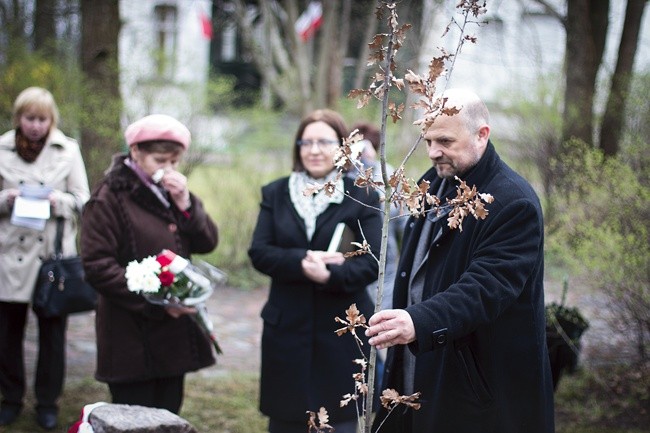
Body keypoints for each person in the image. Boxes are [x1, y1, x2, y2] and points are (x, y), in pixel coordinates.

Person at [365, 88, 555, 433]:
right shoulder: (433, 182)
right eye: (427, 140)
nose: (434, 152)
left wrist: (417, 321)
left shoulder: (514, 203)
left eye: (445, 141)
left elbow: (485, 289)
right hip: (416, 371)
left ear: (482, 134)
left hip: (477, 390)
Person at [248, 109, 382, 433]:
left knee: (339, 423)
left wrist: (330, 276)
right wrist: (302, 260)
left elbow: (372, 262)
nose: (314, 149)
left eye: (324, 141)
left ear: (342, 147)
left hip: (342, 332)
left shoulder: (362, 195)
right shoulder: (276, 193)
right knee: (288, 421)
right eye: (306, 142)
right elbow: (260, 252)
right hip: (287, 330)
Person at [80, 114, 218, 414]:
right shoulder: (108, 199)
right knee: (134, 417)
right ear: (136, 153)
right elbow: (96, 265)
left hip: (172, 337)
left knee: (168, 415)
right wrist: (155, 300)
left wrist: (186, 205)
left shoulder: (173, 194)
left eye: (174, 162)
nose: (167, 170)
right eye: (159, 160)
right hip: (129, 335)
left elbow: (208, 242)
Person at [0, 87, 90, 430]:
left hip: (51, 258)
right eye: (29, 118)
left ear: (51, 120)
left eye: (42, 119)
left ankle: (47, 402)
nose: (36, 126)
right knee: (8, 334)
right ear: (18, 119)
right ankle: (10, 398)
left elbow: (84, 199)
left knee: (53, 335)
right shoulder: (2, 148)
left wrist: (59, 202)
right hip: (9, 255)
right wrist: (6, 200)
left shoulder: (68, 150)